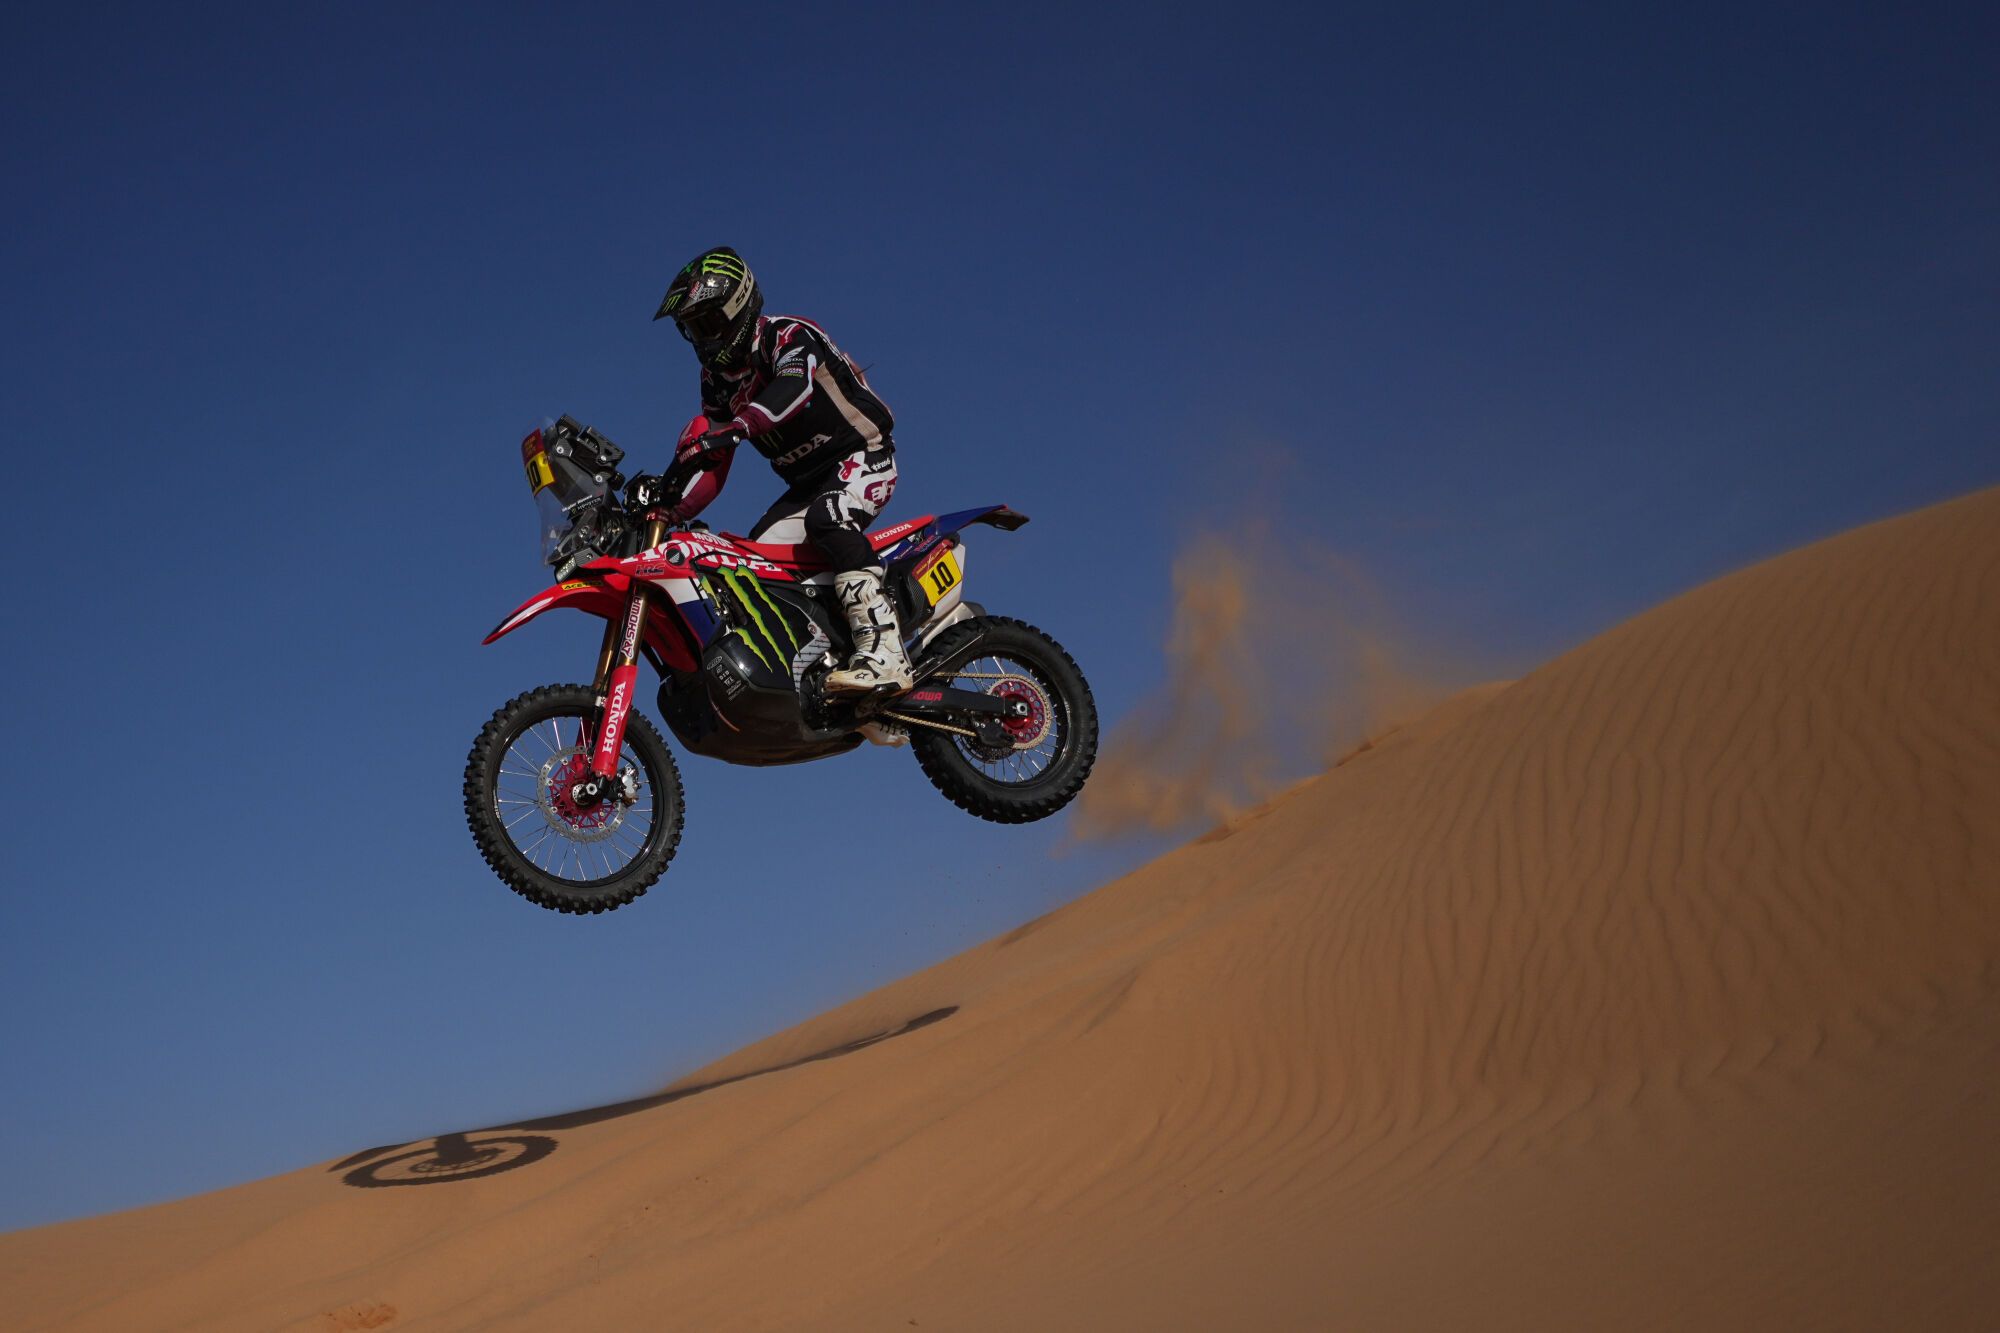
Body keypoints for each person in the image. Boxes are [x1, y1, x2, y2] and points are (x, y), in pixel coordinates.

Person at [654, 246, 911, 694]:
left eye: (708, 323)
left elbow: (793, 389)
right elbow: (713, 464)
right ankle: (827, 663)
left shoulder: (788, 335)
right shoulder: (715, 381)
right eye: (692, 329)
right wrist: (669, 509)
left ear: (740, 307)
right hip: (808, 484)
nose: (703, 339)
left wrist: (738, 427)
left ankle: (888, 653)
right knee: (753, 565)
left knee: (828, 518)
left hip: (864, 455)